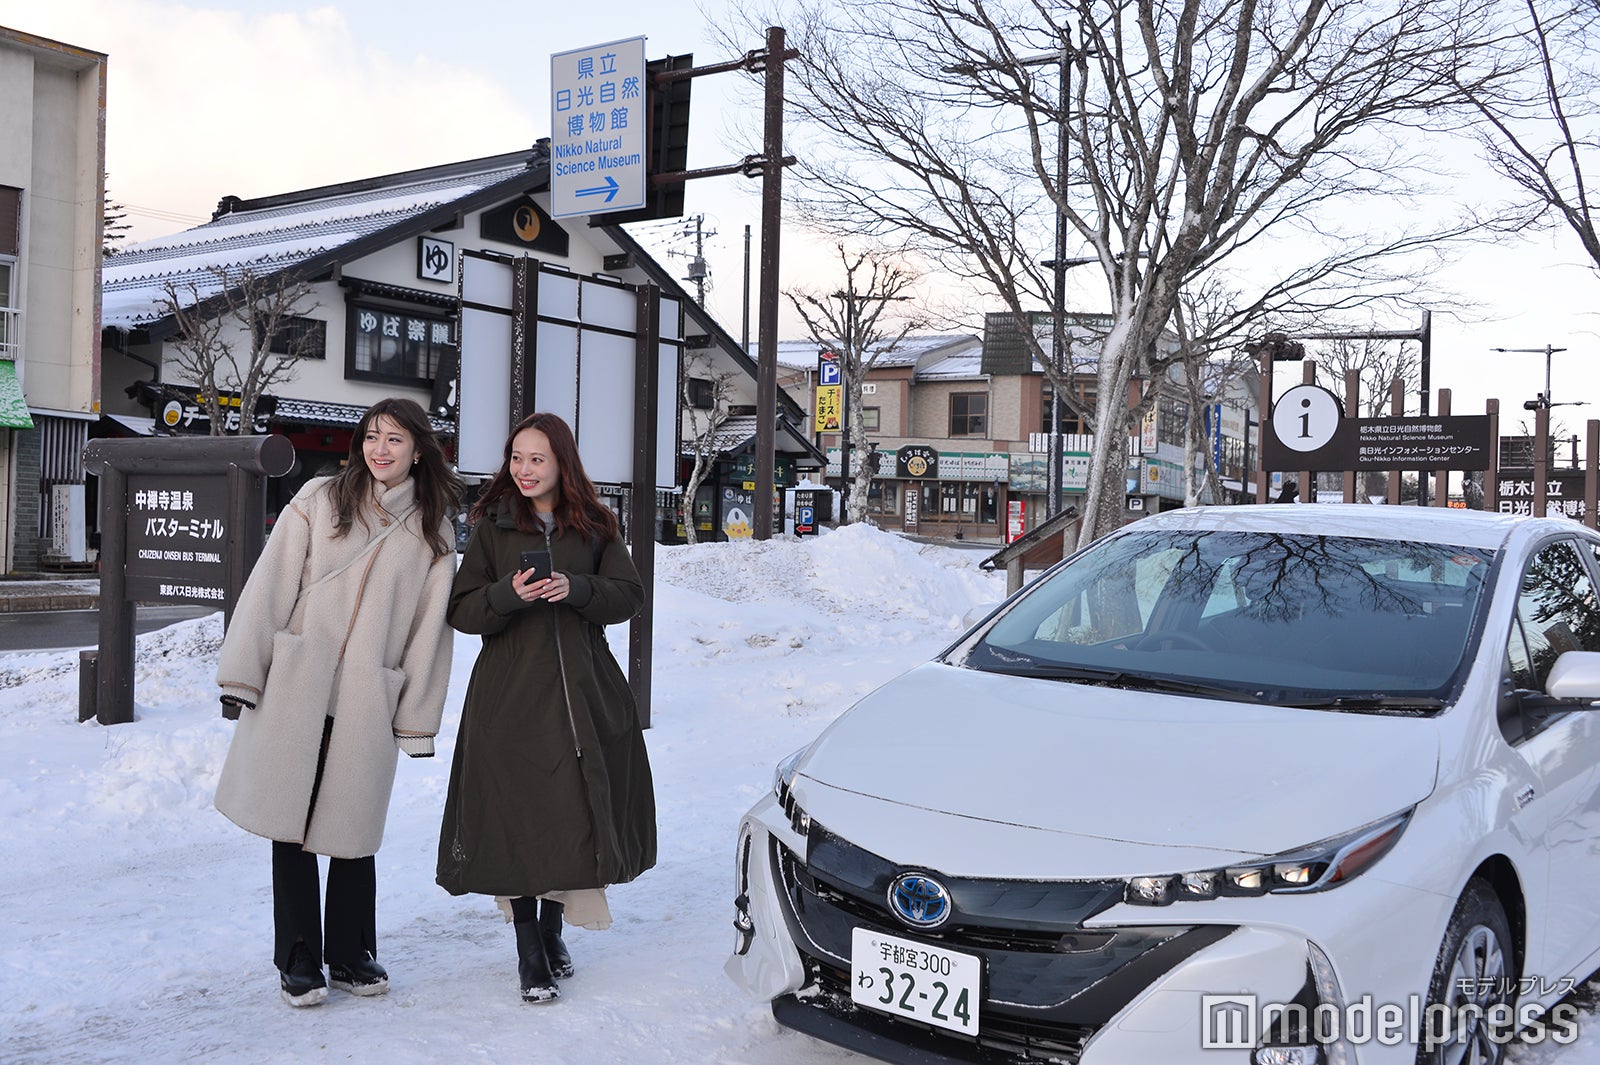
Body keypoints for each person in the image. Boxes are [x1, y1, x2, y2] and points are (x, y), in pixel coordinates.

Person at [213, 397, 462, 1008]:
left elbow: (431, 633)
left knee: (354, 825)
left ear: (419, 450)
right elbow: (270, 583)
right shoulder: (320, 498)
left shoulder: (434, 529)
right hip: (299, 678)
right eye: (373, 437)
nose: (381, 449)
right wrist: (243, 672)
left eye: (396, 440)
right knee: (289, 819)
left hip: (367, 692)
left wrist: (417, 718)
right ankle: (299, 955)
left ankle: (350, 952)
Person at [437, 411, 656, 1004]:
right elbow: (462, 610)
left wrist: (577, 589)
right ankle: (530, 951)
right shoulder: (492, 527)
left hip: (582, 698)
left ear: (562, 463)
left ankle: (555, 930)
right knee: (521, 824)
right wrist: (509, 594)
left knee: (569, 817)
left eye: (537, 458)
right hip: (508, 700)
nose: (525, 470)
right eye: (517, 458)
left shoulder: (596, 526)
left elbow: (629, 596)